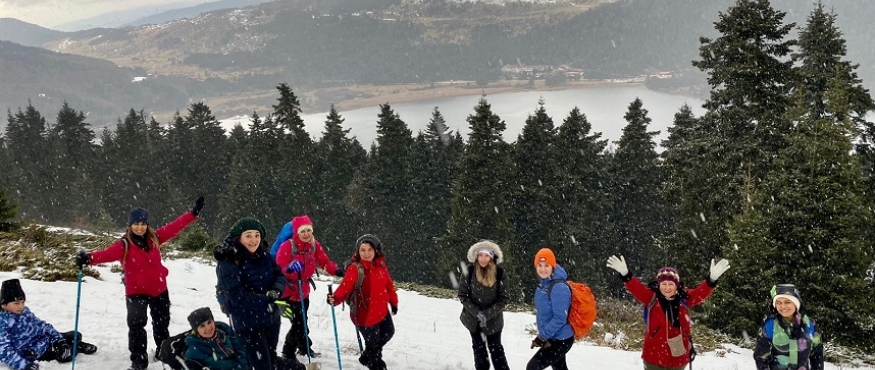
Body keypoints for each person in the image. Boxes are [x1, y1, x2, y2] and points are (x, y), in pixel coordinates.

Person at [76, 196, 203, 370]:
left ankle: (163, 352)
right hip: (136, 292)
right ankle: (139, 361)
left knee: (161, 325)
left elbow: (174, 227)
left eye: (143, 224)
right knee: (136, 327)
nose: (140, 227)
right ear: (130, 225)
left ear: (147, 225)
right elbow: (107, 254)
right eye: (136, 223)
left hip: (159, 289)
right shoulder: (124, 244)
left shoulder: (155, 238)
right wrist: (88, 258)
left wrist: (192, 214)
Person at [214, 216, 318, 370]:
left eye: (257, 235)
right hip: (246, 323)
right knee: (262, 364)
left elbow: (280, 276)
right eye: (248, 236)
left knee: (268, 359)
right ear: (238, 238)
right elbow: (237, 297)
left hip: (270, 320)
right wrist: (268, 300)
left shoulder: (265, 256)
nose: (253, 240)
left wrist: (276, 290)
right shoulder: (228, 262)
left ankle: (300, 368)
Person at [606, 255, 731, 370]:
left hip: (679, 357)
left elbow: (700, 293)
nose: (667, 287)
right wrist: (626, 274)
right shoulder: (651, 297)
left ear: (676, 285)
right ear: (659, 284)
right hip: (654, 357)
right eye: (664, 283)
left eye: (671, 284)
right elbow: (637, 289)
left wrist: (711, 279)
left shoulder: (684, 298)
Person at [274, 215, 343, 359]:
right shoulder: (287, 246)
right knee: (298, 324)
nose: (306, 234)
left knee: (302, 322)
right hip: (287, 291)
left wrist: (336, 270)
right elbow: (278, 268)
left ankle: (304, 348)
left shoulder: (313, 245)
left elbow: (324, 261)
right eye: (303, 231)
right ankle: (288, 352)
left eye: (308, 230)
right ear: (296, 232)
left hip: (303, 291)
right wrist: (290, 268)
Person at [327, 234, 398, 370]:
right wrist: (334, 298)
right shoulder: (355, 269)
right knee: (373, 346)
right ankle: (376, 364)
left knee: (388, 332)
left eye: (370, 250)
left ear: (376, 250)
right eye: (363, 250)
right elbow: (345, 288)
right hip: (363, 314)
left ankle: (366, 356)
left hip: (382, 311)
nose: (366, 253)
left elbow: (389, 285)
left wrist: (393, 302)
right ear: (358, 252)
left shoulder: (381, 266)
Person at [0, 279, 97, 370]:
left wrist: (59, 340)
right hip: (34, 350)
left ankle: (70, 343)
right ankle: (77, 347)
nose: (21, 306)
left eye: (23, 302)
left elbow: (42, 325)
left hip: (45, 339)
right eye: (16, 303)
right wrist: (23, 365)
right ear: (4, 304)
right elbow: (3, 350)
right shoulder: (3, 321)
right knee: (65, 355)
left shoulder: (25, 312)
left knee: (74, 335)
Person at [458, 240, 510, 370]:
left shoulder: (500, 273)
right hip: (473, 320)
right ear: (476, 256)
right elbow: (463, 295)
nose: (483, 258)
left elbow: (503, 299)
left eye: (487, 255)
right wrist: (477, 313)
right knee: (479, 351)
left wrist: (487, 314)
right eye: (480, 255)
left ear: (492, 257)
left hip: (494, 321)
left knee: (496, 350)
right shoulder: (469, 271)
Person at [753, 284, 824, 370]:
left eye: (787, 302)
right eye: (778, 302)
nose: (783, 306)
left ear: (796, 303)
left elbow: (817, 356)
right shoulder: (770, 325)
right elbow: (761, 358)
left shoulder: (810, 325)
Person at [527, 248, 574, 370]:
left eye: (546, 265)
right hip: (553, 336)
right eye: (540, 265)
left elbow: (560, 318)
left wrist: (542, 336)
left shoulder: (559, 287)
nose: (543, 269)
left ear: (553, 266)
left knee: (533, 367)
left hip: (561, 339)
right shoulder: (543, 284)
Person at [184, 307, 248, 370]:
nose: (208, 328)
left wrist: (242, 364)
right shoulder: (193, 350)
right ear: (196, 330)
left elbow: (240, 348)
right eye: (202, 326)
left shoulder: (224, 330)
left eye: (209, 322)